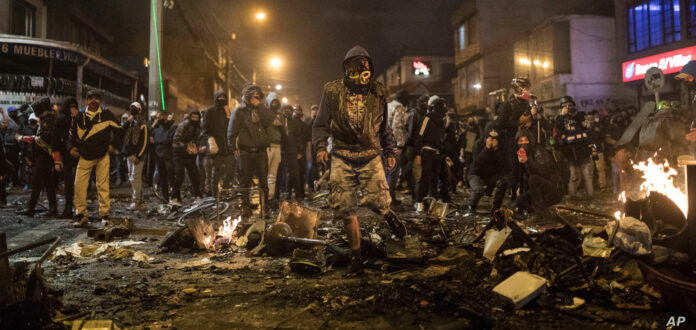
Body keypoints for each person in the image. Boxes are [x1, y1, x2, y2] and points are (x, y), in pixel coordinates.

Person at [312, 46, 406, 276]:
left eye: (365, 66)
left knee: (377, 201)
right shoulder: (332, 91)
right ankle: (357, 261)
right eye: (356, 66)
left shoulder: (378, 92)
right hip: (342, 155)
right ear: (347, 68)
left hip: (370, 154)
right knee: (345, 208)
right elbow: (320, 124)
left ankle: (388, 213)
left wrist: (390, 151)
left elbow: (384, 127)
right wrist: (321, 147)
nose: (362, 71)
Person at [70, 90, 123, 226]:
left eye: (96, 98)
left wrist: (113, 145)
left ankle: (105, 215)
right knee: (79, 186)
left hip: (102, 156)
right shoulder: (80, 115)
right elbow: (72, 134)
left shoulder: (107, 115)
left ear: (100, 101)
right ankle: (81, 215)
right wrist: (71, 147)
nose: (93, 101)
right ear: (87, 101)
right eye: (91, 98)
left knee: (103, 185)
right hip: (85, 155)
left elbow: (119, 131)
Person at [227, 85, 275, 218]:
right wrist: (233, 148)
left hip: (261, 151)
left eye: (258, 96)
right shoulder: (239, 111)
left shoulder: (261, 110)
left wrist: (259, 105)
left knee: (263, 182)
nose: (257, 98)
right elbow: (232, 131)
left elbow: (270, 119)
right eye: (254, 95)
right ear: (248, 96)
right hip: (245, 152)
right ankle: (245, 207)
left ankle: (265, 207)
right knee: (245, 182)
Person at [15, 97, 62, 217]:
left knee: (36, 182)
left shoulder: (47, 121)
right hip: (44, 157)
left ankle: (31, 208)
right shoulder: (47, 120)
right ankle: (52, 208)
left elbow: (41, 140)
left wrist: (23, 138)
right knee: (48, 183)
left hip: (45, 157)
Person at [514, 129, 565, 221]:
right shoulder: (522, 154)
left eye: (526, 140)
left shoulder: (538, 151)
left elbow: (544, 173)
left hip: (553, 189)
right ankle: (545, 212)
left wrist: (528, 161)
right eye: (520, 141)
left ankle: (539, 213)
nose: (523, 143)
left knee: (533, 179)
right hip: (539, 191)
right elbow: (522, 175)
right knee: (520, 200)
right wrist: (519, 187)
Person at [465, 126, 510, 216]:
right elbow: (478, 163)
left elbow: (504, 165)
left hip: (491, 175)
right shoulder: (478, 144)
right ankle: (472, 206)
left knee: (503, 182)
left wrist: (496, 150)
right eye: (490, 138)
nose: (492, 140)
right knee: (478, 190)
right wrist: (487, 149)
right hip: (476, 174)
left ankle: (496, 208)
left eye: (494, 138)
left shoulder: (501, 147)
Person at [555, 96, 594, 200]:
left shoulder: (579, 115)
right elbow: (558, 128)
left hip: (582, 152)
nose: (569, 108)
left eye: (571, 105)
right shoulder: (560, 119)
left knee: (587, 176)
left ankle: (590, 198)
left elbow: (587, 126)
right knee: (573, 177)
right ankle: (572, 199)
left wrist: (576, 115)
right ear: (562, 108)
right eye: (566, 106)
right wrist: (562, 116)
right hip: (569, 154)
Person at [414, 96, 448, 212]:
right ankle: (432, 203)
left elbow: (420, 135)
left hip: (427, 152)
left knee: (424, 178)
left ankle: (420, 203)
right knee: (434, 178)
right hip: (437, 152)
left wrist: (418, 153)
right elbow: (442, 138)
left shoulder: (427, 118)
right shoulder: (442, 121)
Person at [203, 91, 234, 197]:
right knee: (215, 171)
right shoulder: (210, 111)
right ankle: (214, 194)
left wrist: (228, 115)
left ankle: (225, 190)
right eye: (219, 97)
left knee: (230, 170)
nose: (221, 99)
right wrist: (211, 140)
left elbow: (232, 127)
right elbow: (206, 128)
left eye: (223, 97)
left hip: (228, 147)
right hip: (217, 145)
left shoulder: (227, 111)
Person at [171, 110, 203, 205]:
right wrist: (186, 147)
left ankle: (198, 196)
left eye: (197, 118)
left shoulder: (199, 127)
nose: (195, 119)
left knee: (195, 175)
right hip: (179, 153)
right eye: (193, 117)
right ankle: (174, 197)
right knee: (179, 175)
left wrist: (195, 147)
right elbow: (176, 140)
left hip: (190, 154)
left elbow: (197, 139)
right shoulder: (184, 125)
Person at [55, 97, 79, 218]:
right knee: (70, 183)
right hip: (67, 154)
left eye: (74, 107)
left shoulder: (79, 119)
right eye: (71, 107)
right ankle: (70, 209)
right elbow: (56, 140)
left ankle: (74, 209)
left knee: (76, 183)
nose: (73, 109)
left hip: (76, 154)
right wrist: (57, 159)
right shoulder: (62, 120)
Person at [122, 102, 149, 209]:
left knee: (135, 177)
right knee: (132, 178)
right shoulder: (128, 122)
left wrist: (139, 156)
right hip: (129, 154)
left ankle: (136, 200)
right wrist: (127, 123)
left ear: (140, 110)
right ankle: (141, 201)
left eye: (135, 109)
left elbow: (144, 141)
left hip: (137, 156)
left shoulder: (143, 123)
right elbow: (121, 133)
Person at [386, 89, 410, 205]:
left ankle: (383, 198)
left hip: (383, 143)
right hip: (393, 144)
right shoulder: (399, 108)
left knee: (385, 172)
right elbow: (397, 126)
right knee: (393, 172)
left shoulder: (387, 106)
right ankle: (390, 198)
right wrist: (400, 145)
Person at [279, 104, 305, 201]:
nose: (287, 111)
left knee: (294, 173)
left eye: (289, 109)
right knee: (283, 174)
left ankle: (298, 194)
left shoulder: (294, 123)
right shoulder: (280, 121)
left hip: (293, 151)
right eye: (285, 109)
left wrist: (299, 151)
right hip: (282, 151)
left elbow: (299, 138)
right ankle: (287, 193)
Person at [407, 95, 429, 199]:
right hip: (415, 146)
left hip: (417, 146)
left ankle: (414, 194)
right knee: (415, 172)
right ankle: (414, 194)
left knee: (416, 172)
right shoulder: (416, 114)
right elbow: (411, 132)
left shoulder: (421, 114)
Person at [151, 111, 176, 203]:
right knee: (163, 178)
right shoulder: (157, 129)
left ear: (165, 117)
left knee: (171, 178)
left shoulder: (172, 127)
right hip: (159, 156)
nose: (158, 119)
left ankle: (174, 197)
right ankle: (166, 198)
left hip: (168, 156)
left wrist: (157, 141)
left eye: (160, 117)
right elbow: (150, 133)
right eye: (157, 117)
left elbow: (168, 140)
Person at [264, 92, 283, 206]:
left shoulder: (279, 115)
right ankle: (264, 198)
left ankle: (270, 198)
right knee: (265, 174)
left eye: (276, 102)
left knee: (273, 175)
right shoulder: (265, 114)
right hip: (268, 147)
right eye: (273, 102)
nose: (275, 104)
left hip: (277, 147)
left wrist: (281, 126)